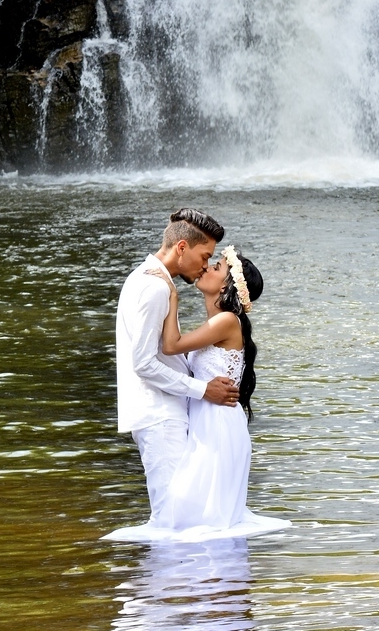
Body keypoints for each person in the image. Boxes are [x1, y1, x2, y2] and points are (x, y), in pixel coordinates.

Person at [105, 241, 291, 542]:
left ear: (225, 287)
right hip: (206, 420)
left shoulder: (226, 320)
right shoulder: (216, 323)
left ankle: (202, 579)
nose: (207, 267)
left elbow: (170, 346)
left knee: (193, 514)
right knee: (195, 510)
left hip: (217, 424)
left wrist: (171, 296)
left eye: (216, 267)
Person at [111, 208, 239, 532]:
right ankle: (166, 584)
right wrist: (203, 389)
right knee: (173, 523)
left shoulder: (151, 279)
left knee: (179, 519)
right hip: (160, 416)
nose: (205, 266)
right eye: (204, 256)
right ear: (182, 247)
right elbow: (143, 363)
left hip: (163, 414)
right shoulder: (154, 287)